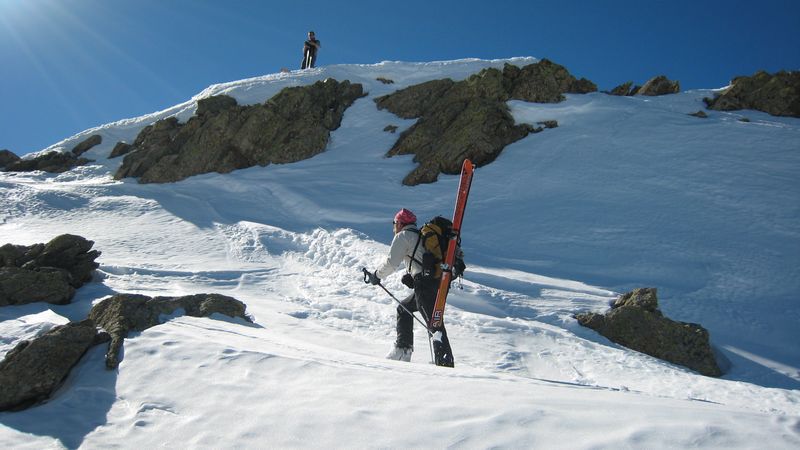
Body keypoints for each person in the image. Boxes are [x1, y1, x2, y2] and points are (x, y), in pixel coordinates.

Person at [366, 208, 462, 366]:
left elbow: (391, 263)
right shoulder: (419, 235)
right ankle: (403, 350)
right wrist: (412, 276)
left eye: (395, 223)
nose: (394, 227)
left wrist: (376, 276)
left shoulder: (403, 236)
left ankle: (444, 363)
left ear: (400, 223)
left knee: (434, 323)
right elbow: (423, 261)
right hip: (434, 283)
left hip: (425, 286)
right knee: (404, 308)